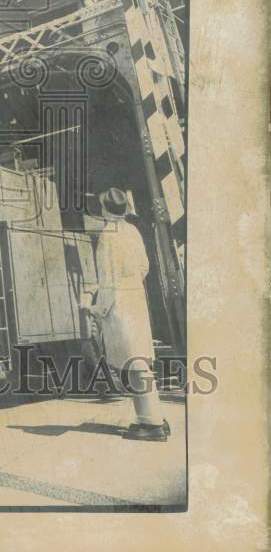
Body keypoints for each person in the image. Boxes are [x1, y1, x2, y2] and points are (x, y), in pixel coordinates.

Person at [91, 187, 170, 442]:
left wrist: (98, 309)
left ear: (104, 209)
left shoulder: (107, 235)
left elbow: (107, 278)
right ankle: (154, 415)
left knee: (132, 362)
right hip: (136, 297)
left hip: (119, 302)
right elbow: (144, 266)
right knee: (141, 359)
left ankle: (151, 424)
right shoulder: (132, 231)